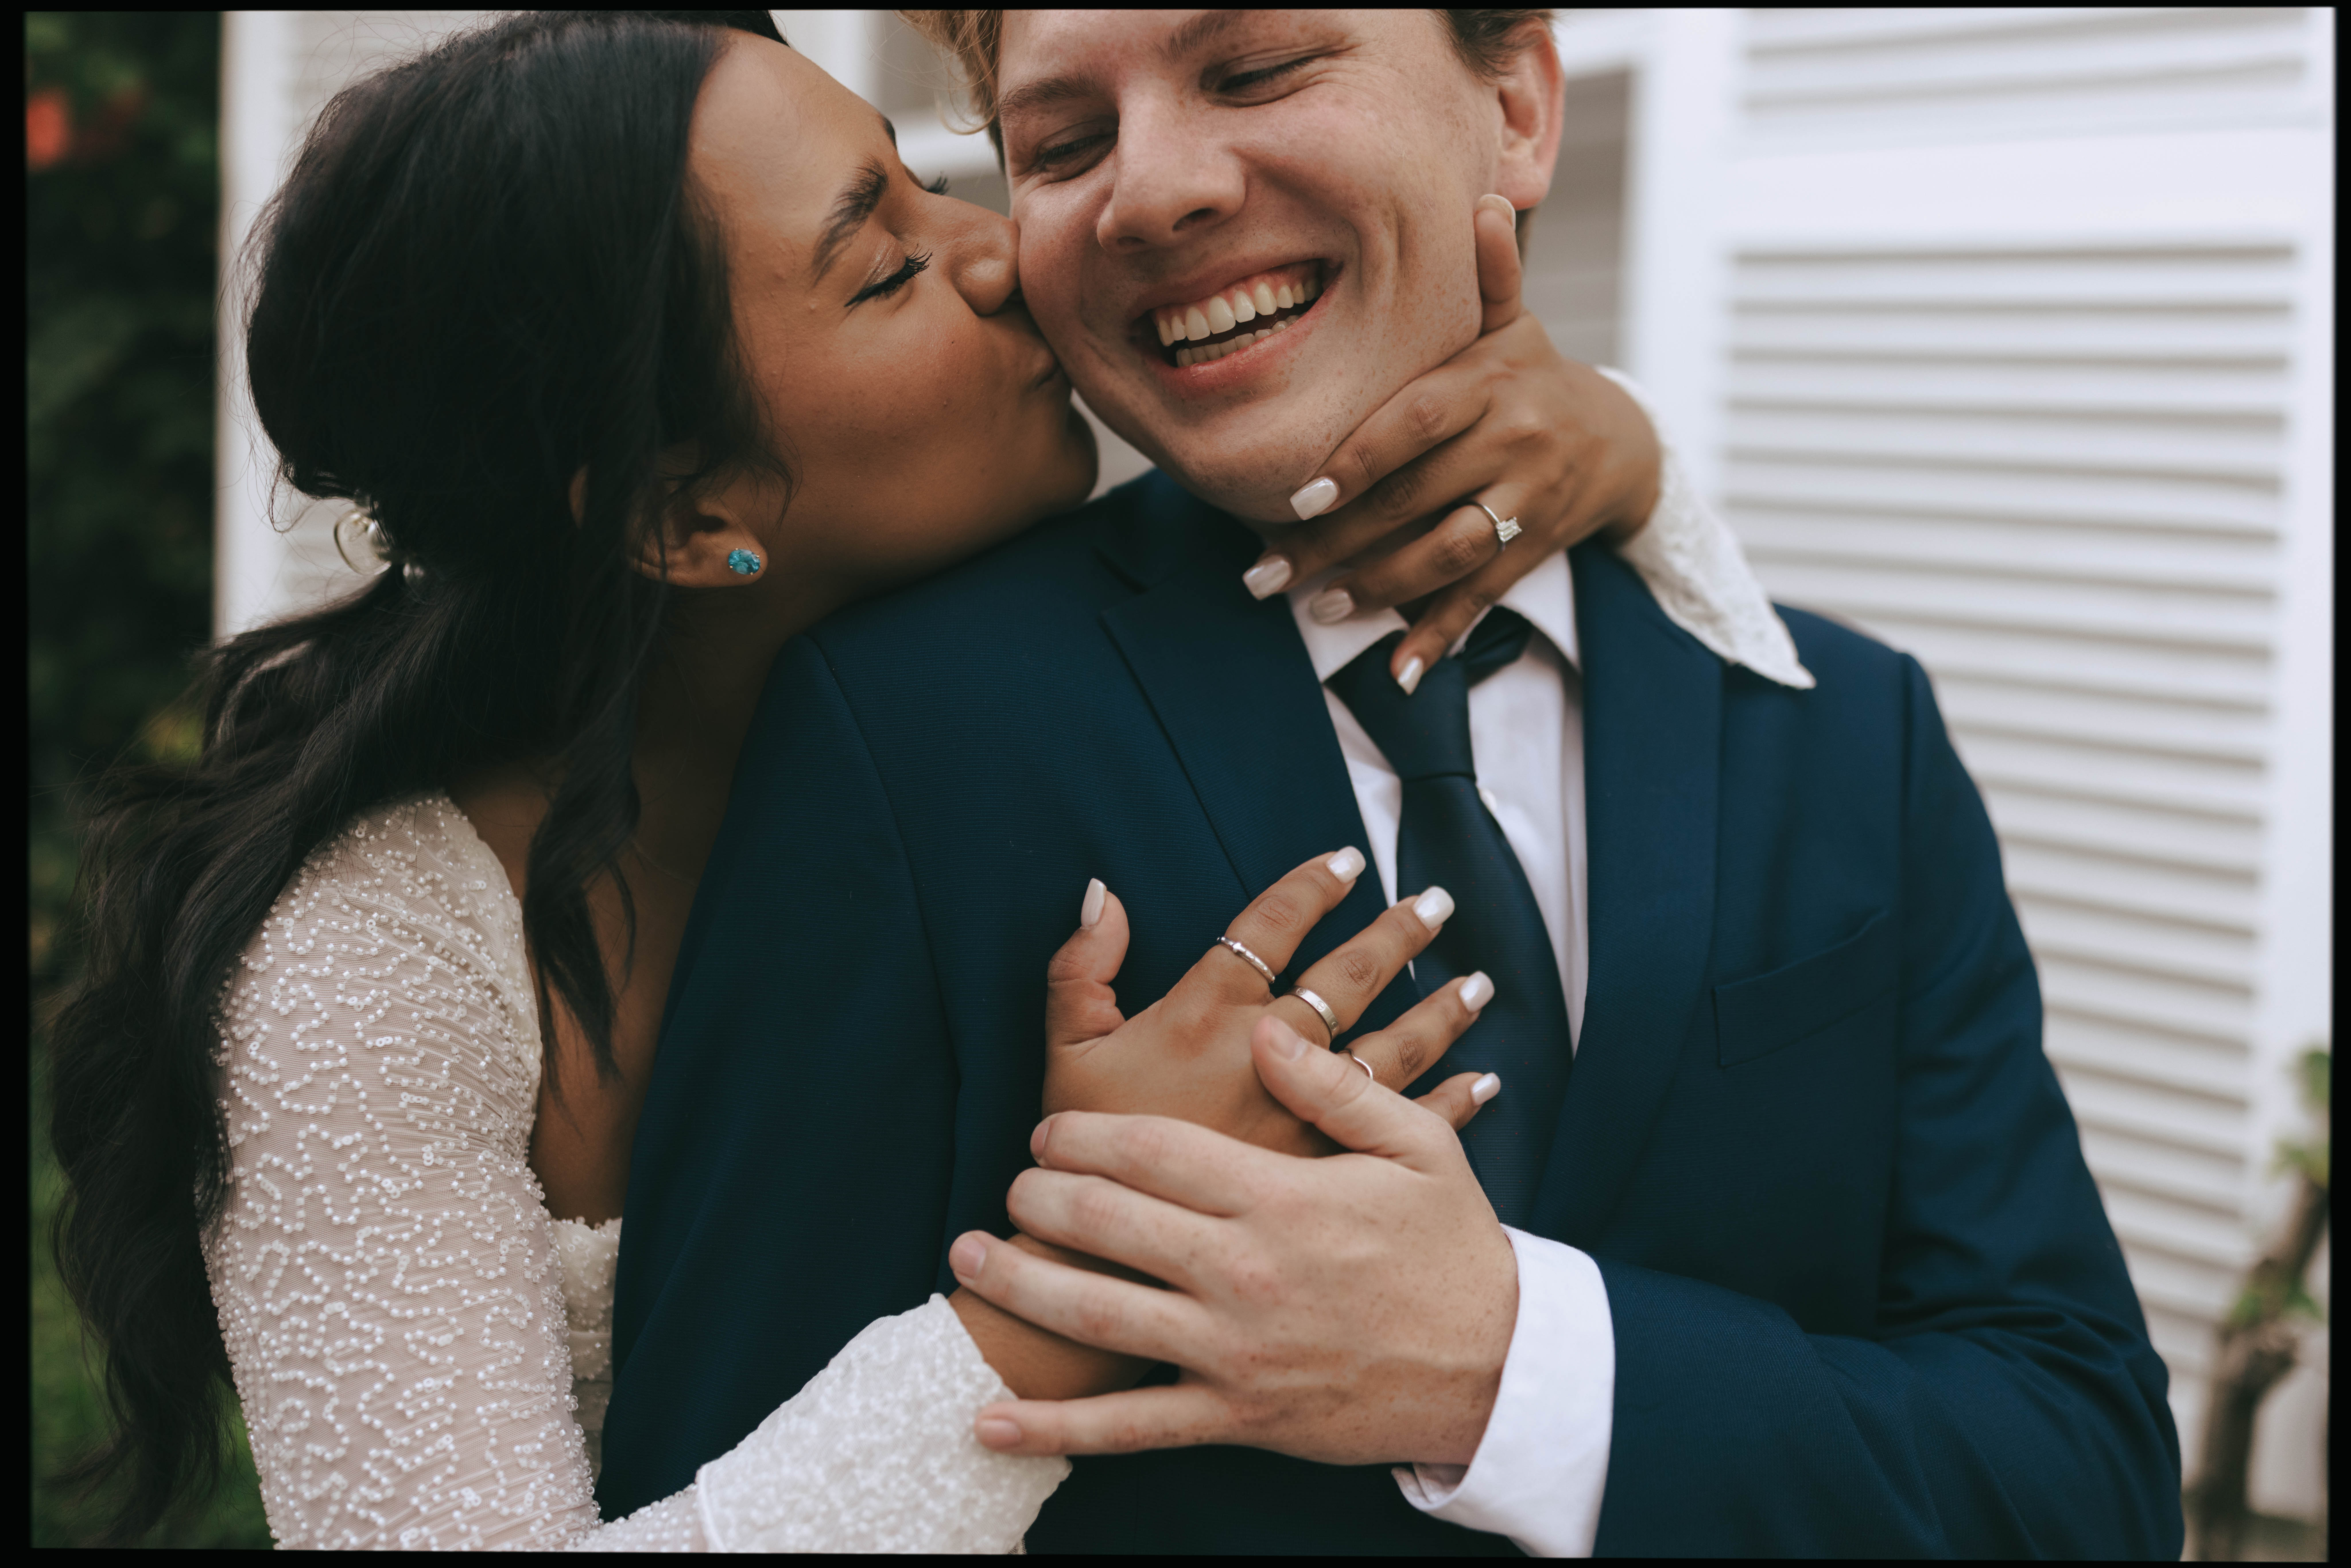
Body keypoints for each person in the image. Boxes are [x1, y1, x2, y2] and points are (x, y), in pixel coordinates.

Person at [42, 9, 1692, 1552]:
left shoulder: (1049, 670)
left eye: (934, 179)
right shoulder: (373, 970)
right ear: (681, 518)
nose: (1006, 254)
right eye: (886, 264)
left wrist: (1623, 449)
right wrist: (1071, 1288)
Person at [606, 8, 2187, 1557]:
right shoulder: (902, 727)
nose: (1153, 190)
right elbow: (723, 1468)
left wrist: (1510, 1364)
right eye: (1064, 142)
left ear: (1516, 108)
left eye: (1258, 67)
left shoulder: (1850, 726)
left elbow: (2084, 1471)